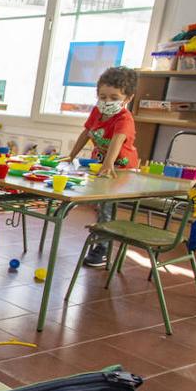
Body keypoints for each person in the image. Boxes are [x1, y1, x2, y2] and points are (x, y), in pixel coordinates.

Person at [65, 66, 141, 268]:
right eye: (103, 96)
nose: (107, 102)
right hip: (101, 167)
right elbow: (86, 133)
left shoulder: (124, 118)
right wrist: (71, 155)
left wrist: (108, 163)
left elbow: (117, 140)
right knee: (99, 207)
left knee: (106, 209)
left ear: (127, 98)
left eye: (114, 97)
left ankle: (103, 249)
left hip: (121, 170)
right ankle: (100, 238)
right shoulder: (97, 112)